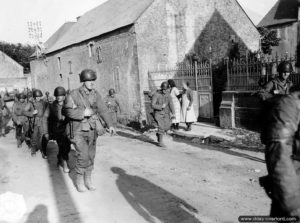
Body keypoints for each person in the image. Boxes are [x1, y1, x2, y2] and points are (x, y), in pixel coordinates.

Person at [63, 69, 115, 192]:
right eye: (89, 80)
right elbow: (66, 111)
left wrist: (110, 125)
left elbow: (103, 110)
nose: (92, 83)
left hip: (92, 130)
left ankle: (88, 179)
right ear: (83, 81)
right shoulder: (74, 94)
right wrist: (82, 113)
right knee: (83, 155)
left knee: (91, 156)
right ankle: (79, 180)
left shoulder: (96, 94)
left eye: (93, 80)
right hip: (78, 130)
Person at [260, 85, 300, 220]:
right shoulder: (291, 104)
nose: (286, 74)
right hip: (294, 185)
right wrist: (293, 204)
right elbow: (279, 152)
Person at [43, 86, 70, 173]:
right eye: (57, 95)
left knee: (68, 147)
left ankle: (59, 157)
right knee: (63, 146)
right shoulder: (51, 106)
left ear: (64, 96)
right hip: (57, 130)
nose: (59, 97)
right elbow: (45, 118)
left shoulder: (68, 104)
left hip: (68, 129)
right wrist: (46, 132)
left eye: (61, 95)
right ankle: (65, 164)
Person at [151, 82, 175, 147]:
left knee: (167, 126)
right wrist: (161, 106)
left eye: (168, 90)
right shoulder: (156, 95)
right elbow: (152, 105)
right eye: (166, 90)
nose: (167, 91)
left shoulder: (168, 95)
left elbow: (171, 104)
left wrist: (173, 113)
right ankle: (160, 142)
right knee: (161, 127)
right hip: (158, 113)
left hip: (166, 113)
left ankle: (159, 135)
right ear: (163, 89)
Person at [28, 89, 48, 158]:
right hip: (35, 122)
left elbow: (49, 107)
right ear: (34, 97)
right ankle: (33, 150)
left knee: (43, 138)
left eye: (39, 96)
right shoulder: (31, 103)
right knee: (34, 137)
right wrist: (32, 113)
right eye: (37, 97)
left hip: (42, 121)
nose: (38, 98)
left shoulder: (44, 102)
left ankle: (44, 152)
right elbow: (24, 112)